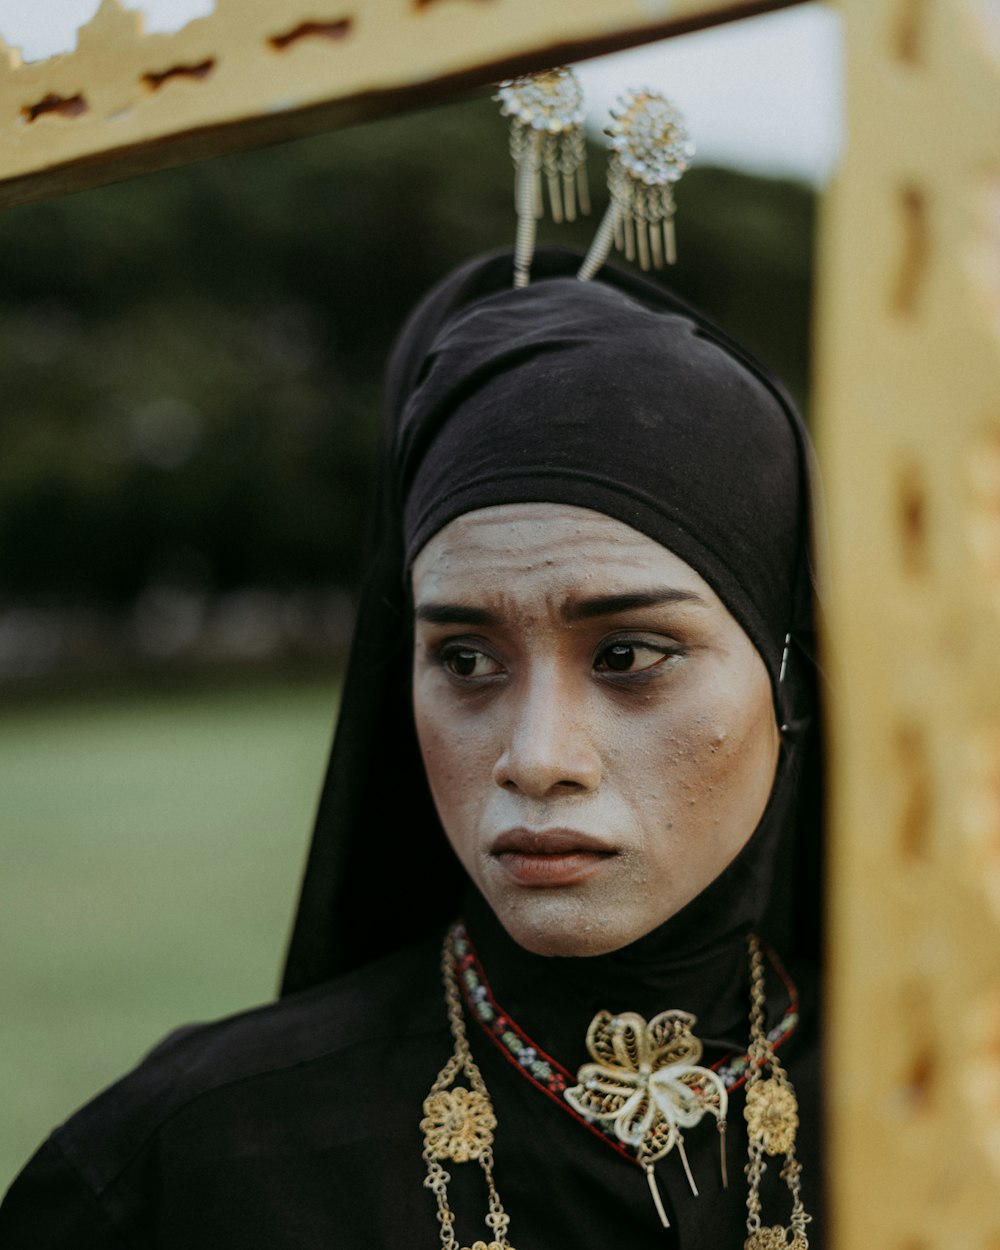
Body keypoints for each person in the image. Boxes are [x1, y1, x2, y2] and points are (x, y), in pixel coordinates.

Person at [0, 245, 823, 1249]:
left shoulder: (949, 1099)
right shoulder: (185, 1165)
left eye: (627, 653)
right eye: (467, 659)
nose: (536, 757)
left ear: (789, 678)